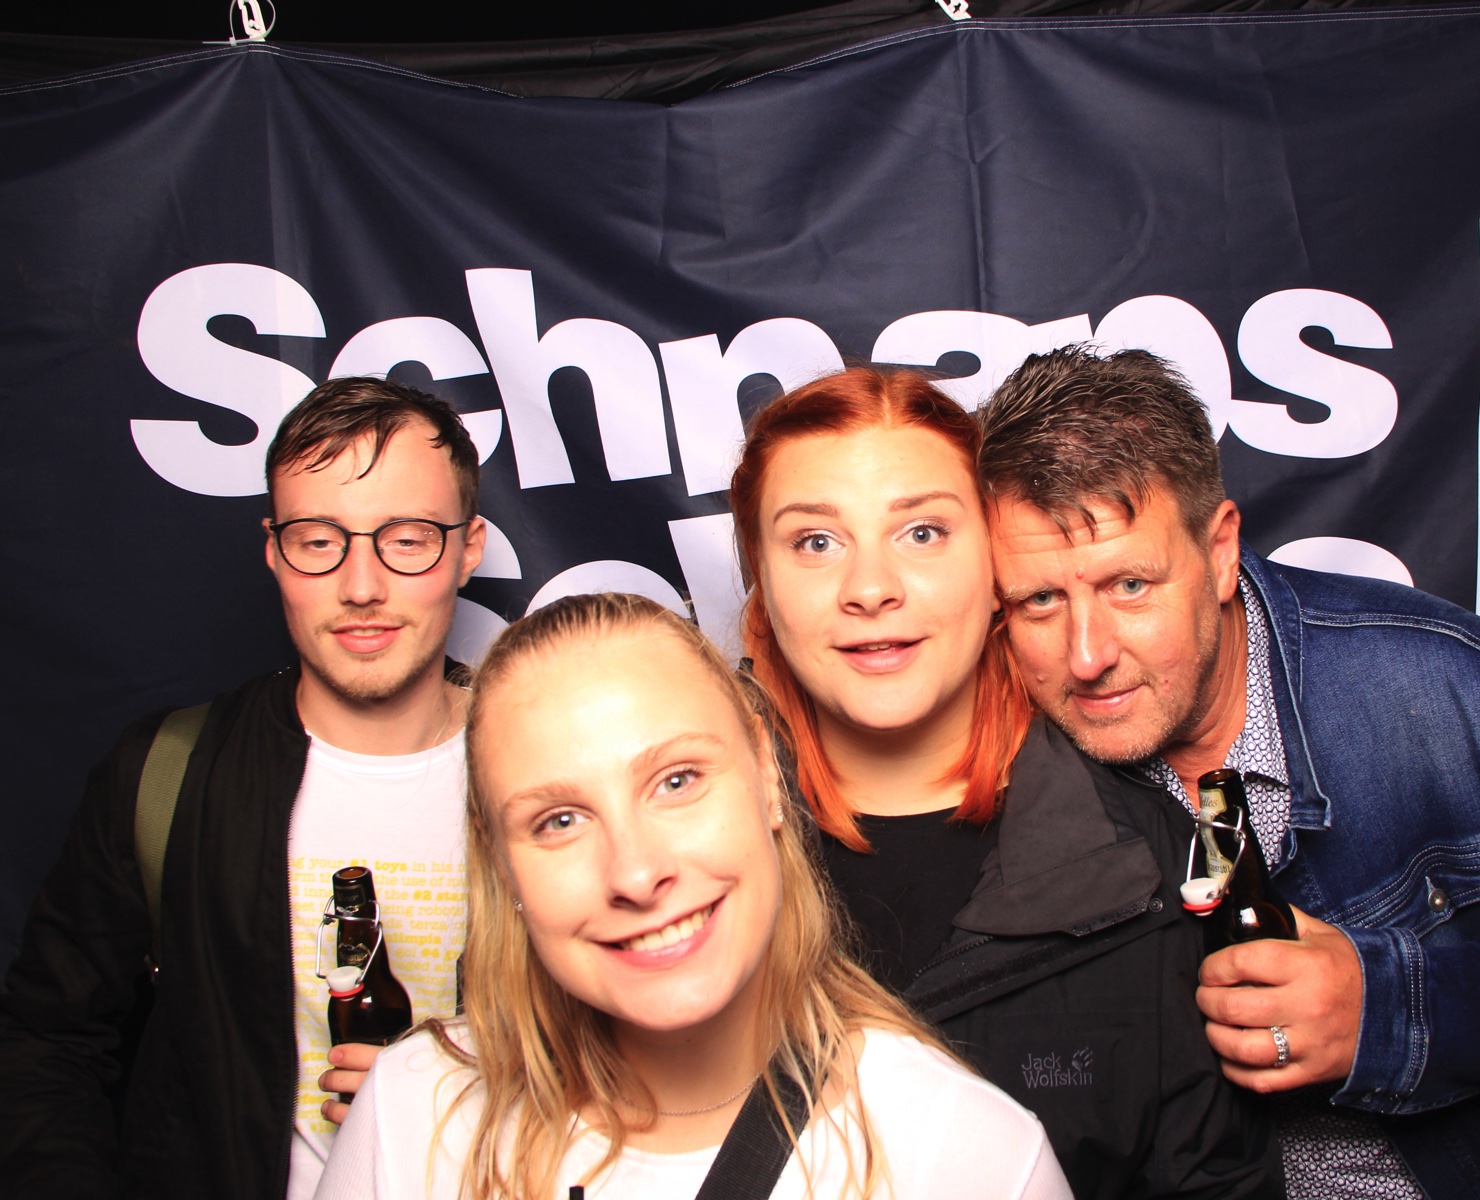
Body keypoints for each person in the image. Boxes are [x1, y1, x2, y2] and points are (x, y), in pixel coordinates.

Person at [977, 345, 1480, 1198]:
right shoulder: (988, 751)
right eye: (1040, 600)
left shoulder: (1450, 694)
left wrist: (1389, 1010)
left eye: (1128, 585)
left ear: (1220, 550)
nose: (1087, 656)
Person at [315, 592, 1070, 1200]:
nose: (636, 873)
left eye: (676, 781)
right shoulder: (412, 1115)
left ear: (766, 777)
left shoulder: (973, 1155)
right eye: (560, 820)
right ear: (501, 863)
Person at [729, 367, 1277, 1198]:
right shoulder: (678, 860)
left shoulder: (1160, 864)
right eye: (815, 542)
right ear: (761, 585)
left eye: (922, 532)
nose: (870, 589)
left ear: (996, 574)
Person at [0, 377, 488, 1199]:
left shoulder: (553, 775)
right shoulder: (168, 774)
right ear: (273, 550)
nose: (361, 585)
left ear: (468, 548)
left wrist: (495, 1088)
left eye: (407, 539)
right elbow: (46, 1046)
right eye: (317, 540)